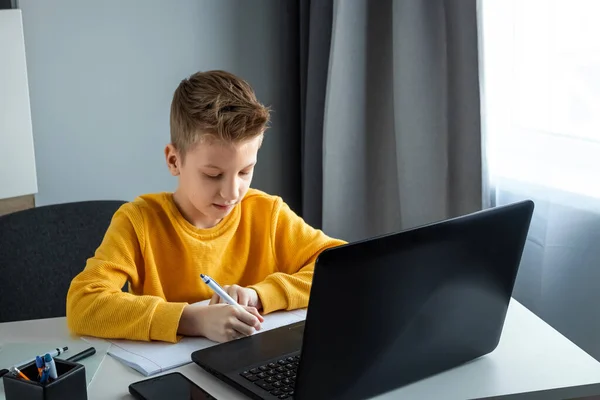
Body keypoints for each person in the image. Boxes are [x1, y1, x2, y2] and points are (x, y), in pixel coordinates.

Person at [65, 70, 346, 344]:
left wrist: (260, 295)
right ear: (174, 161)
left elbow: (342, 264)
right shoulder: (138, 222)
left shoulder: (266, 213)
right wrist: (192, 320)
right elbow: (84, 303)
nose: (232, 192)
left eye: (245, 172)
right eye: (213, 175)